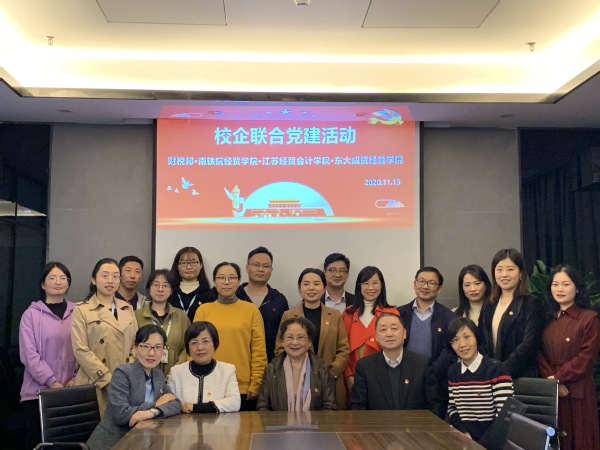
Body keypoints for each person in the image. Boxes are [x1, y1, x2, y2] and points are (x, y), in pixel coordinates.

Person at [86, 324, 181, 450]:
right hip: (114, 443)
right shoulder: (123, 373)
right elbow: (121, 415)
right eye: (145, 346)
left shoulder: (158, 375)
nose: (151, 353)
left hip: (143, 441)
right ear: (135, 348)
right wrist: (156, 404)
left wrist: (151, 412)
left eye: (158, 347)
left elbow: (175, 404)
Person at [537, 264, 600, 450]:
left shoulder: (589, 318)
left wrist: (558, 378)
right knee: (558, 442)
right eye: (555, 284)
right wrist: (553, 382)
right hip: (554, 392)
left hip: (579, 390)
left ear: (577, 288)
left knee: (582, 441)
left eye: (566, 284)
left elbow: (586, 358)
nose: (560, 289)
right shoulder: (547, 318)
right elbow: (539, 353)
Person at [19, 262, 78, 450]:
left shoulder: (79, 312)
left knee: (69, 445)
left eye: (63, 278)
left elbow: (85, 349)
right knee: (39, 445)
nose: (58, 282)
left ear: (68, 283)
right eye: (52, 278)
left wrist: (77, 379)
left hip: (72, 392)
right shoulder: (31, 315)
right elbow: (29, 355)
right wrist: (52, 382)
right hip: (37, 394)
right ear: (43, 284)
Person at [193, 262, 267, 411]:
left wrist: (256, 383)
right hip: (209, 383)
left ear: (238, 281)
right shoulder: (203, 310)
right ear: (214, 281)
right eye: (221, 278)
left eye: (232, 278)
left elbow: (259, 351)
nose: (226, 282)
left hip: (243, 387)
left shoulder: (251, 310)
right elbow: (194, 349)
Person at [275, 268, 349, 409]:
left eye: (316, 284)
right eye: (306, 284)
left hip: (330, 380)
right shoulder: (288, 315)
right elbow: (280, 348)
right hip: (297, 380)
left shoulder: (335, 315)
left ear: (324, 288)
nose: (311, 288)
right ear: (299, 288)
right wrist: (297, 370)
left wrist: (329, 373)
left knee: (331, 419)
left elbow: (343, 349)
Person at [71, 258, 138, 415]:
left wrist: (126, 375)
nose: (110, 280)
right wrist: (107, 379)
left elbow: (136, 345)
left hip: (123, 382)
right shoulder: (82, 310)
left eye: (115, 276)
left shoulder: (127, 308)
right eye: (105, 275)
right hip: (94, 380)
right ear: (94, 280)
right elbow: (80, 349)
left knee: (123, 425)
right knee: (95, 426)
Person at [350, 313, 440, 414]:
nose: (389, 334)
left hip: (415, 424)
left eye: (394, 328)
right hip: (377, 424)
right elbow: (357, 407)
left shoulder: (422, 364)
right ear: (376, 337)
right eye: (383, 330)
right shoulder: (365, 366)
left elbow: (433, 405)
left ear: (404, 333)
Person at [479, 249, 546, 378]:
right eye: (499, 270)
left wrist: (502, 370)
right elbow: (481, 340)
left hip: (521, 377)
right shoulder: (489, 304)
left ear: (521, 273)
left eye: (510, 269)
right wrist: (490, 368)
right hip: (492, 376)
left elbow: (529, 344)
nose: (504, 274)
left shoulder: (531, 303)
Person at [446, 317, 513, 445]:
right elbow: (452, 408)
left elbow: (504, 415)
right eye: (455, 340)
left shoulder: (496, 369)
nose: (462, 344)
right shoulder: (453, 372)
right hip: (465, 441)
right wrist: (464, 434)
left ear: (476, 338)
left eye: (467, 337)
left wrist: (480, 445)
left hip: (492, 442)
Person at [257, 317, 336, 411]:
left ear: (309, 342)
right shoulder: (271, 369)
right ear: (282, 342)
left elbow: (329, 406)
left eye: (300, 337)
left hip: (315, 421)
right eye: (289, 337)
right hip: (279, 421)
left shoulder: (322, 369)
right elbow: (262, 407)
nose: (294, 342)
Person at [397, 267, 457, 388]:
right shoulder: (399, 314)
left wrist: (430, 372)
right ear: (414, 284)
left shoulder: (449, 317)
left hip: (436, 381)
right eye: (421, 281)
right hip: (402, 377)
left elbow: (450, 350)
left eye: (431, 283)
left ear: (439, 289)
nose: (425, 286)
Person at [342, 266, 399, 394]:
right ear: (359, 286)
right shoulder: (348, 313)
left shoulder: (391, 313)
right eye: (366, 283)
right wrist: (348, 375)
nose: (370, 287)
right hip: (353, 378)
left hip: (383, 378)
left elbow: (396, 349)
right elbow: (341, 348)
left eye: (375, 283)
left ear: (381, 285)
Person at [168, 321, 241, 413]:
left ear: (215, 344)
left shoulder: (227, 370)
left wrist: (195, 407)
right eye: (194, 343)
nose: (200, 348)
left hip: (219, 422)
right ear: (188, 347)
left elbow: (235, 403)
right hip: (184, 422)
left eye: (205, 341)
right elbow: (169, 403)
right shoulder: (176, 372)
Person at [236, 246, 289, 362]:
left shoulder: (279, 300)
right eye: (256, 265)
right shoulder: (234, 296)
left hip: (271, 364)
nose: (260, 269)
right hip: (238, 361)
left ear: (271, 270)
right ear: (247, 268)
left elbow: (285, 336)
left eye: (265, 266)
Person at [135, 269, 190, 377]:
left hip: (176, 377)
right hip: (143, 376)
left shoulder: (181, 317)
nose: (160, 289)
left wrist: (176, 372)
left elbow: (187, 347)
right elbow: (132, 347)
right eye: (156, 285)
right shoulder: (137, 316)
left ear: (171, 290)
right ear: (149, 288)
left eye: (165, 285)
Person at [168, 246, 213, 322]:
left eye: (193, 262)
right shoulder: (169, 292)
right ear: (177, 266)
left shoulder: (209, 294)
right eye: (184, 263)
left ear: (201, 265)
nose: (188, 267)